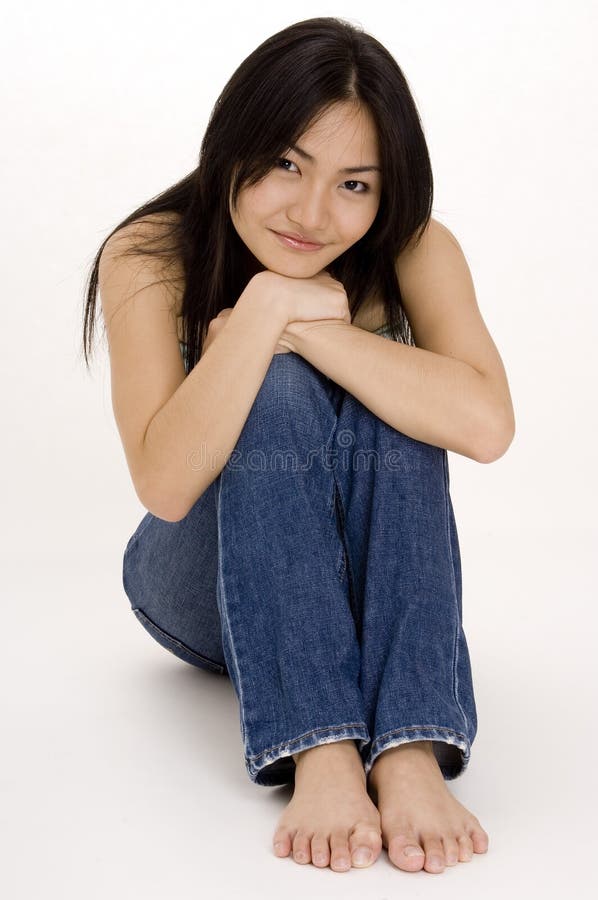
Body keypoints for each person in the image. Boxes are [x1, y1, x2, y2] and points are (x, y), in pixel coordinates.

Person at [82, 16, 514, 876]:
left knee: (404, 393)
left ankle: (407, 747)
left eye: (355, 185)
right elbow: (164, 485)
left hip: (356, 588)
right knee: (279, 389)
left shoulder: (418, 249)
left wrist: (318, 334)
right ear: (233, 143)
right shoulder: (149, 254)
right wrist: (267, 316)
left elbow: (485, 425)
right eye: (287, 163)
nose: (314, 214)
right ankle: (319, 747)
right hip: (193, 582)